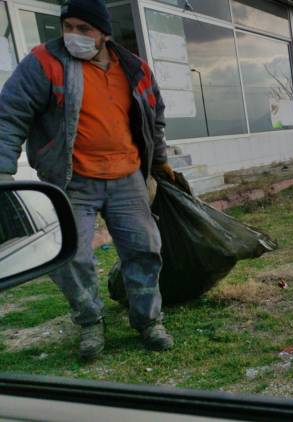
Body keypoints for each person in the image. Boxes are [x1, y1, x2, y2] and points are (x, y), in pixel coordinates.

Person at [0, 0, 175, 359]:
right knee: (71, 257)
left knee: (144, 249)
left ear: (104, 34)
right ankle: (90, 323)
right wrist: (2, 168)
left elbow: (154, 116)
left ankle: (147, 320)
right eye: (68, 27)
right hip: (71, 181)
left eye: (84, 29)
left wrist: (158, 162)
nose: (73, 36)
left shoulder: (133, 67)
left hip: (127, 178)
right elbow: (10, 113)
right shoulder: (45, 62)